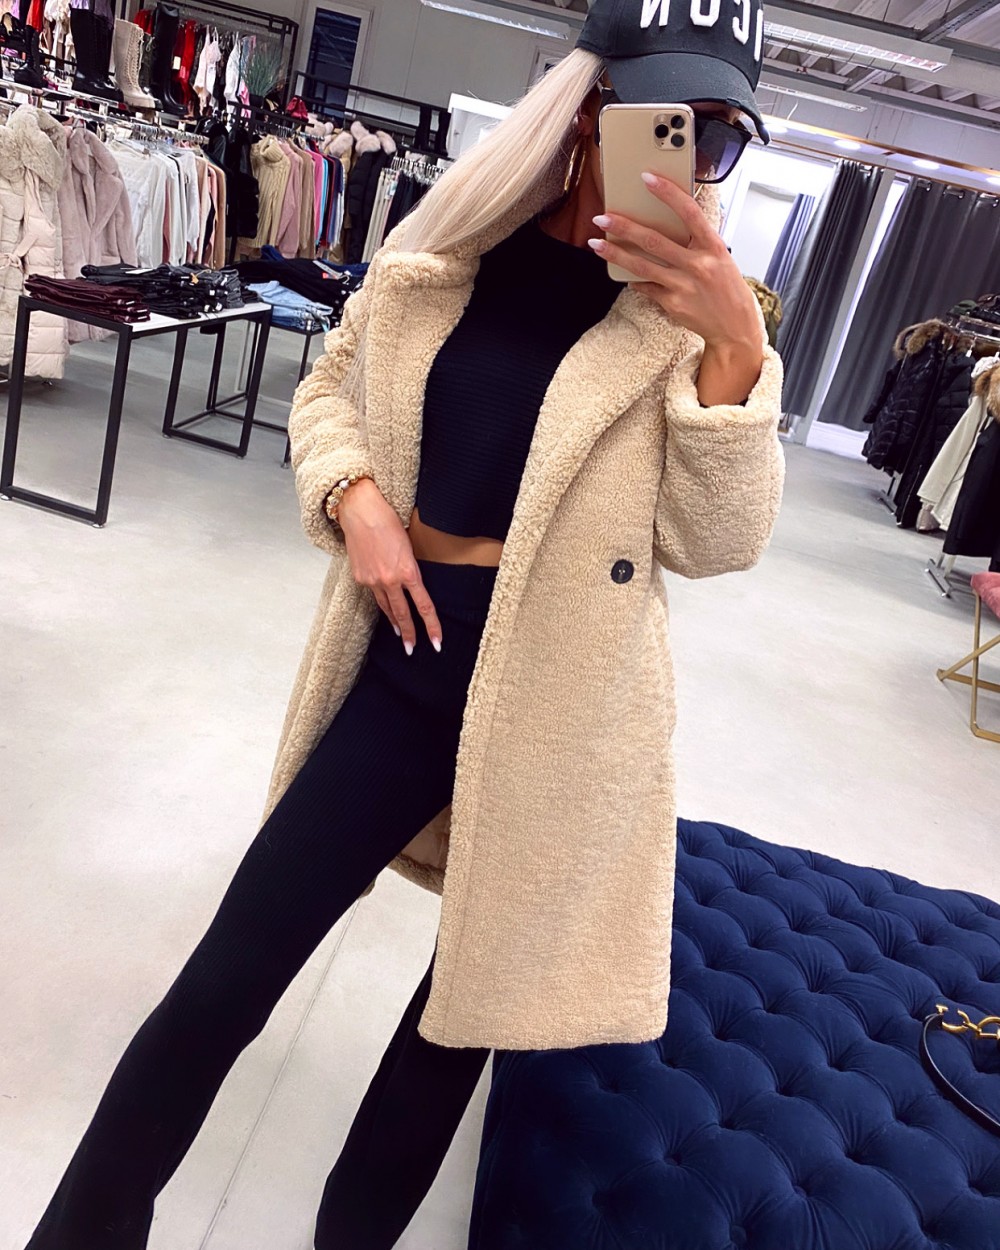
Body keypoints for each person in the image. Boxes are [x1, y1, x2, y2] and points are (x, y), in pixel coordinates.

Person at [24, 0, 785, 1246]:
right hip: (408, 667)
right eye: (667, 117)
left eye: (720, 135)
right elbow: (329, 388)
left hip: (564, 714)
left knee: (449, 1033)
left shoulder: (701, 318)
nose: (688, 155)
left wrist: (733, 351)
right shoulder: (448, 254)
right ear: (588, 112)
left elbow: (717, 542)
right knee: (225, 979)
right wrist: (356, 497)